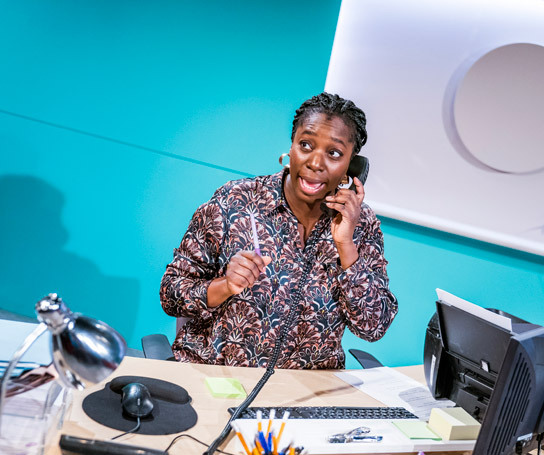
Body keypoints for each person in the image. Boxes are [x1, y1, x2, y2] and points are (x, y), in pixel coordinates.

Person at [160, 92, 398, 369]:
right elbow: (171, 294)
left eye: (334, 153)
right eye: (306, 145)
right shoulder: (237, 200)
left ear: (351, 165)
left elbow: (373, 327)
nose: (316, 163)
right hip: (219, 378)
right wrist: (224, 286)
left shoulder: (361, 222)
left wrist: (346, 246)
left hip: (308, 392)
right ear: (291, 148)